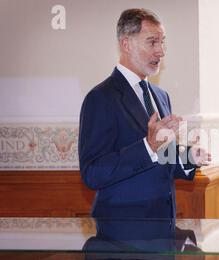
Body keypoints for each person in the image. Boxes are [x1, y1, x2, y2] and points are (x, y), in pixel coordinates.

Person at [78, 8, 210, 240]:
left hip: (164, 230)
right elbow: (93, 173)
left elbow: (160, 159)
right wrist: (147, 145)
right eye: (152, 42)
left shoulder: (161, 96)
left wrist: (187, 158)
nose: (161, 51)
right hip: (123, 236)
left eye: (162, 42)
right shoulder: (100, 97)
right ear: (126, 44)